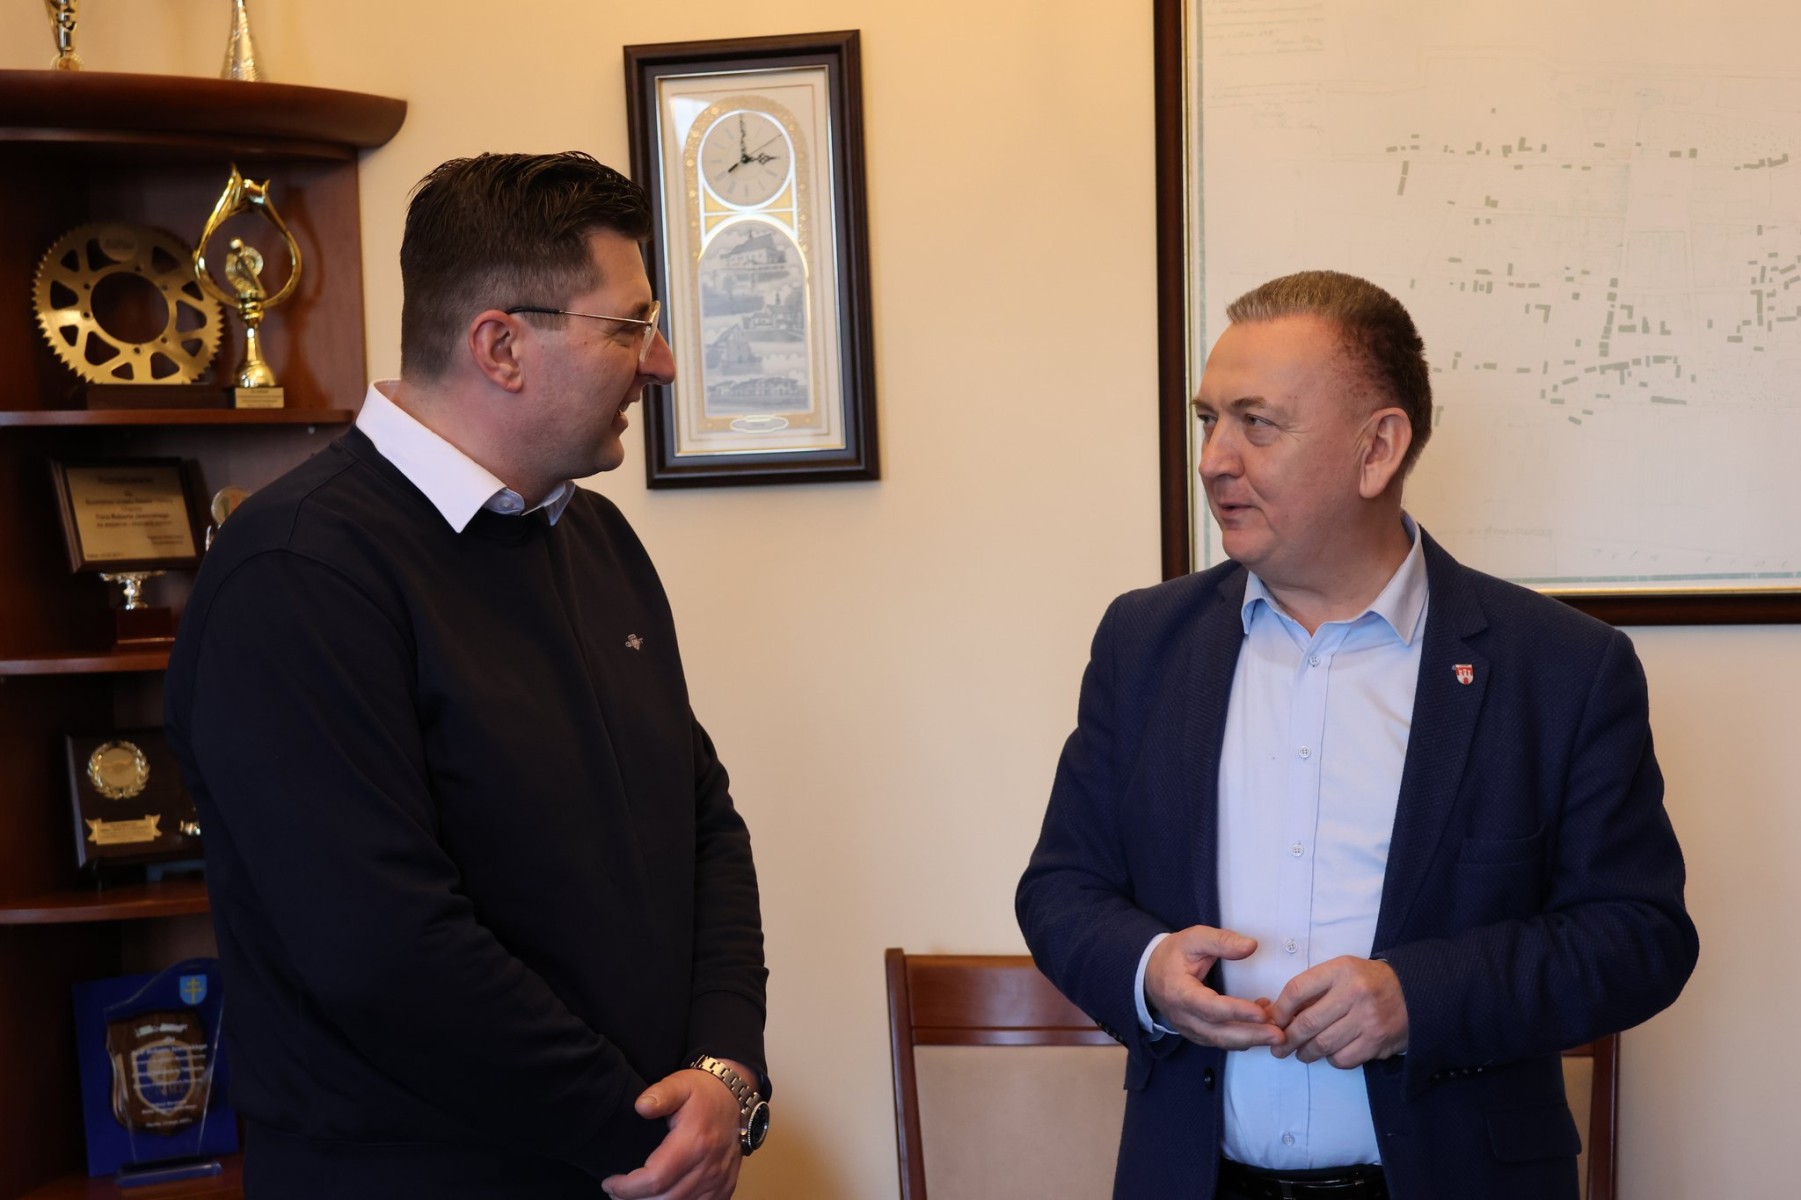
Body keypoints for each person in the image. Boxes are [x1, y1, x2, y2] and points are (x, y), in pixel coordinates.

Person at [164, 152, 769, 1200]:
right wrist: (644, 1134)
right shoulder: (295, 571)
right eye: (629, 327)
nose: (662, 364)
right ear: (500, 346)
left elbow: (702, 820)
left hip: (634, 1160)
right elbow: (383, 952)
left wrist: (723, 1074)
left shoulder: (599, 541)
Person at [1016, 270, 1697, 1200]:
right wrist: (1147, 972)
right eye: (1208, 420)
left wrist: (1421, 996)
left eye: (1256, 424)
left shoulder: (1560, 667)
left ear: (1376, 449)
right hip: (1194, 1178)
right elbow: (1061, 887)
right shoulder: (1143, 642)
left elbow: (1638, 936)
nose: (1213, 459)